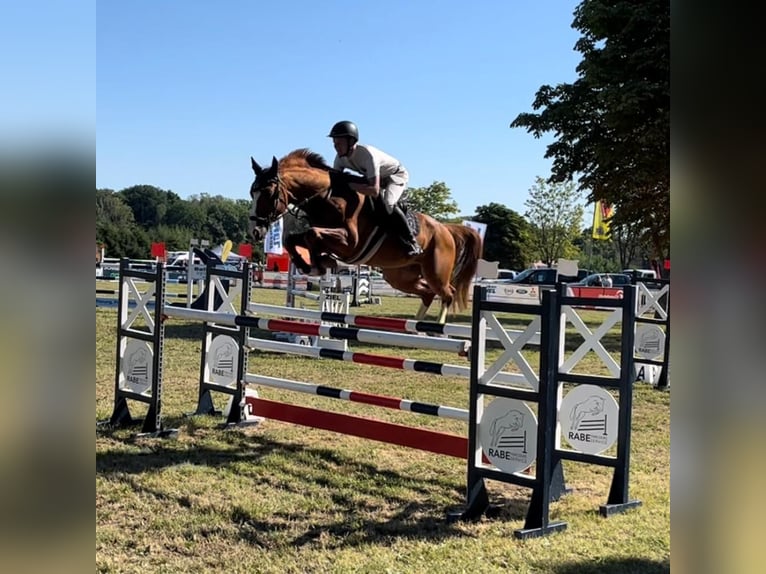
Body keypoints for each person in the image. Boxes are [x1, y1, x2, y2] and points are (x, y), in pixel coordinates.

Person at [327, 120, 422, 256]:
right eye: (334, 144)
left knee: (388, 204)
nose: (336, 147)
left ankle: (411, 241)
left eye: (339, 144)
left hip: (395, 176)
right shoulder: (339, 159)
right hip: (375, 178)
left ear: (351, 142)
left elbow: (374, 190)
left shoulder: (367, 154)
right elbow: (335, 182)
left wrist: (350, 185)